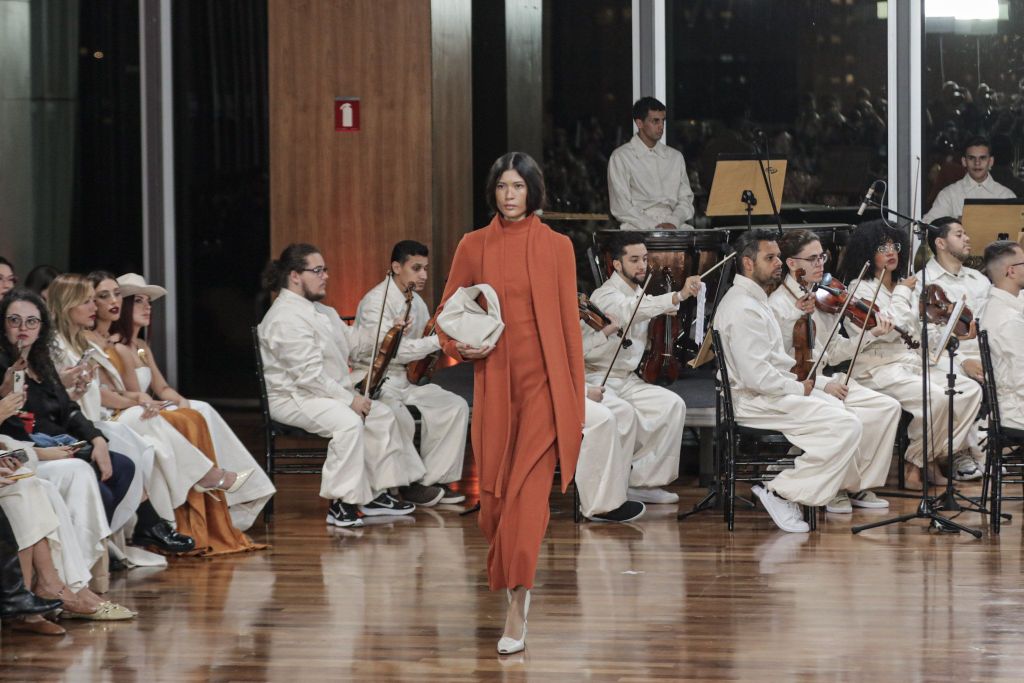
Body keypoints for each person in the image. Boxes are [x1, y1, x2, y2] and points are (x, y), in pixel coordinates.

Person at [435, 152, 585, 654]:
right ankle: (514, 585)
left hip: (545, 388)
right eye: (502, 186)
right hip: (496, 384)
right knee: (494, 506)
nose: (509, 195)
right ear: (493, 192)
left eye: (518, 186)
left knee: (526, 499)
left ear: (533, 191)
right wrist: (460, 349)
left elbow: (568, 330)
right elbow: (445, 315)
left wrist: (574, 401)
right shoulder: (472, 245)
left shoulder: (558, 247)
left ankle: (517, 609)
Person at [258, 243, 420, 527]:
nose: (325, 276)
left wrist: (390, 330)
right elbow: (307, 377)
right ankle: (341, 503)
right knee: (348, 422)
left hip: (319, 393)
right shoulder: (284, 317)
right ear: (295, 276)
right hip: (292, 398)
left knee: (381, 415)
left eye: (325, 270)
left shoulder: (321, 311)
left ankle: (373, 494)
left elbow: (353, 342)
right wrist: (349, 400)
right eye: (318, 270)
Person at [714, 229, 861, 533]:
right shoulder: (743, 307)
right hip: (753, 401)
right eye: (770, 258)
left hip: (769, 393)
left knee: (844, 415)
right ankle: (780, 491)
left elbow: (771, 357)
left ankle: (786, 486)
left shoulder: (754, 299)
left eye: (778, 256)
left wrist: (809, 385)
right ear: (747, 263)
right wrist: (801, 387)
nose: (779, 263)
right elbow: (757, 378)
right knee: (846, 426)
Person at [109, 273, 275, 531]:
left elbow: (161, 387)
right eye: (139, 301)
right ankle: (216, 480)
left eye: (148, 302)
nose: (147, 307)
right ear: (125, 307)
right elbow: (134, 393)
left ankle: (244, 491)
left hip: (153, 405)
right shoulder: (119, 347)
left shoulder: (140, 345)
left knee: (202, 408)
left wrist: (181, 401)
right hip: (136, 412)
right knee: (192, 413)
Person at [838, 221, 984, 490]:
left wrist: (952, 334)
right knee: (937, 398)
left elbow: (918, 335)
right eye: (882, 247)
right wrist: (904, 292)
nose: (891, 251)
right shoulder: (860, 289)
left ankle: (928, 457)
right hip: (878, 367)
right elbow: (894, 328)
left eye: (895, 245)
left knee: (969, 391)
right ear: (868, 252)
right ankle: (915, 464)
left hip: (912, 363)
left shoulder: (905, 285)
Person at [767, 230, 902, 513]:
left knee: (887, 407)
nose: (821, 264)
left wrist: (872, 334)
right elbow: (782, 364)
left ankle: (858, 485)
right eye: (812, 258)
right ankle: (836, 487)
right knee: (850, 415)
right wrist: (822, 385)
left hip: (825, 377)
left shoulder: (822, 296)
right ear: (792, 264)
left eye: (822, 257)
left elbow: (834, 350)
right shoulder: (778, 305)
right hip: (800, 384)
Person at [0, 289, 141, 527]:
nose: (23, 327)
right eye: (14, 320)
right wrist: (39, 451)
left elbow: (68, 407)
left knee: (123, 466)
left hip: (57, 441)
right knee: (101, 489)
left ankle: (102, 545)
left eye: (32, 321)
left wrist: (96, 439)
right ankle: (88, 552)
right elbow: (12, 426)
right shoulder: (4, 364)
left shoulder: (39, 358)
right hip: (27, 449)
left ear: (41, 327)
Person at [583, 231, 699, 505]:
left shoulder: (641, 292)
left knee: (671, 405)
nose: (641, 266)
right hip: (600, 378)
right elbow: (631, 310)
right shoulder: (607, 294)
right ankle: (613, 485)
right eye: (634, 260)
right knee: (624, 415)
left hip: (628, 379)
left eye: (645, 259)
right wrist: (676, 296)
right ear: (617, 264)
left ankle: (644, 483)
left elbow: (644, 309)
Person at [353, 240, 469, 506]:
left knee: (453, 405)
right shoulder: (375, 302)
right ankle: (405, 484)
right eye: (416, 268)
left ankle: (431, 481)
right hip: (375, 380)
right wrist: (437, 342)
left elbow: (421, 345)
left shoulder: (415, 301)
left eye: (425, 269)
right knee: (398, 416)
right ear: (396, 267)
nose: (424, 275)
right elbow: (395, 351)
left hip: (405, 380)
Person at [608, 97, 695, 230]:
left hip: (675, 228)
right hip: (638, 229)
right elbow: (621, 206)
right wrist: (654, 226)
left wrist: (673, 221)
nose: (661, 126)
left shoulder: (675, 157)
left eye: (662, 121)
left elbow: (686, 199)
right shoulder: (621, 157)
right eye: (655, 121)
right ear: (639, 123)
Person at [576, 384, 644, 523]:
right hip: (552, 397)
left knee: (624, 412)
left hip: (570, 390)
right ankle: (600, 506)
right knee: (603, 418)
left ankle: (617, 495)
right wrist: (585, 391)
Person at [980, 240, 1024, 430]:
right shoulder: (1008, 319)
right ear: (1011, 271)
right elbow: (1022, 378)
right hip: (1016, 411)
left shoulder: (994, 305)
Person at [923, 136, 1015, 222]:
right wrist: (955, 223)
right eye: (972, 158)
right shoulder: (949, 194)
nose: (977, 163)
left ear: (990, 162)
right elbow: (928, 224)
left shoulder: (1006, 196)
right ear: (964, 161)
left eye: (982, 158)